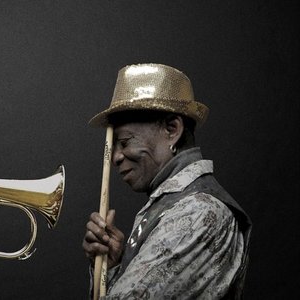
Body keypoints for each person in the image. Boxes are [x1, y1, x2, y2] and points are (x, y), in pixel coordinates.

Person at [82, 63, 252, 299]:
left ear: (172, 130)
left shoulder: (198, 212)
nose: (116, 158)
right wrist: (113, 268)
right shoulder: (170, 204)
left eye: (125, 143)